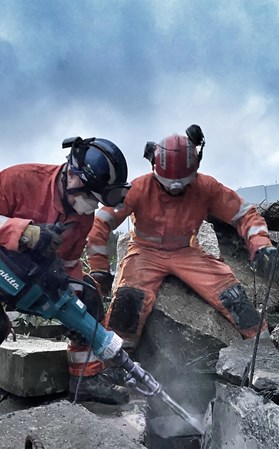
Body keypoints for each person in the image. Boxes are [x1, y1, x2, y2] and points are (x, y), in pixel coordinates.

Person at [0, 136, 132, 436]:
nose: (90, 206)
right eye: (91, 197)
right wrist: (23, 232)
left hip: (37, 275)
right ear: (73, 174)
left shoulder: (83, 218)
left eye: (97, 201)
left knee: (88, 300)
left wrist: (70, 295)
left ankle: (86, 378)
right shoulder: (20, 178)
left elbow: (69, 265)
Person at [86, 125, 276, 356]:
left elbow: (244, 214)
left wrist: (261, 245)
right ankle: (116, 363)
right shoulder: (138, 188)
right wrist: (99, 270)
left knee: (232, 296)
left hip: (186, 251)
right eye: (168, 186)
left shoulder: (207, 188)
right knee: (128, 303)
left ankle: (265, 351)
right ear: (154, 167)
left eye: (183, 185)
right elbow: (101, 222)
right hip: (145, 253)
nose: (175, 191)